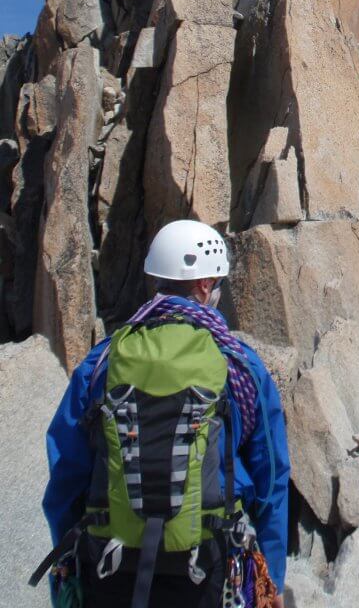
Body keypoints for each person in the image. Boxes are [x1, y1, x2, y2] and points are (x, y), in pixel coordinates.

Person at [36, 220, 290, 608]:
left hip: (110, 569)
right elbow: (271, 481)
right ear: (204, 286)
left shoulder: (102, 362)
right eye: (217, 282)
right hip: (207, 571)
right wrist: (268, 580)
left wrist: (69, 579)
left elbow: (65, 480)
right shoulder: (239, 367)